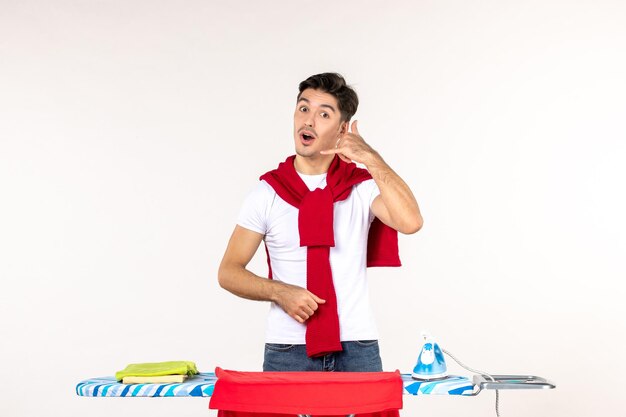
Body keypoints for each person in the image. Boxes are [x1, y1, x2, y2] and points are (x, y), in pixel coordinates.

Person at [218, 73, 422, 372]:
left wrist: (370, 158)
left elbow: (411, 221)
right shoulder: (267, 193)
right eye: (304, 109)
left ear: (342, 130)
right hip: (288, 349)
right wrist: (280, 292)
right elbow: (228, 271)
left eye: (323, 114)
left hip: (357, 347)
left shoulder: (361, 187)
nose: (309, 121)